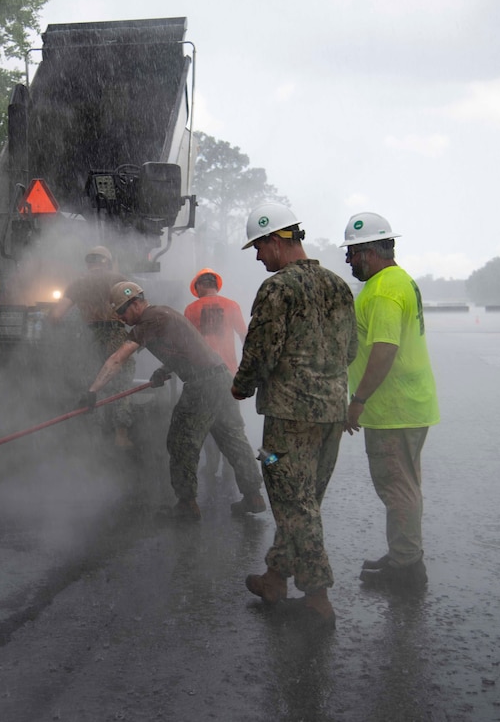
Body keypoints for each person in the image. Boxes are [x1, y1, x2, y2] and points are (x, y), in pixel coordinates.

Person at [232, 203, 357, 629]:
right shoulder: (338, 286)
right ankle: (274, 577)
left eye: (258, 247)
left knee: (293, 503)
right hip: (331, 414)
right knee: (304, 500)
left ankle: (318, 596)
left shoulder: (277, 289)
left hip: (289, 417)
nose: (257, 257)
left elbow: (262, 349)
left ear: (276, 239)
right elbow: (351, 349)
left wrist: (241, 384)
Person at [81, 281, 266, 521]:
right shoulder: (164, 313)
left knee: (181, 442)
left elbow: (118, 359)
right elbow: (188, 348)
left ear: (136, 303)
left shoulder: (149, 320)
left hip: (202, 386)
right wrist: (164, 369)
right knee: (233, 439)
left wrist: (92, 391)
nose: (120, 318)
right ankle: (253, 496)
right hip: (221, 380)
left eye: (122, 311)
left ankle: (186, 504)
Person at [342, 211, 439, 592]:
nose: (349, 261)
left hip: (393, 408)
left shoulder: (383, 289)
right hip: (409, 404)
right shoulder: (398, 281)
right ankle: (404, 554)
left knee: (397, 487)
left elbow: (384, 349)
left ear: (369, 251)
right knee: (406, 485)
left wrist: (358, 400)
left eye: (352, 253)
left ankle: (407, 569)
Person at [49, 246, 135, 448]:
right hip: (116, 335)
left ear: (88, 263)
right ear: (108, 261)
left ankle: (94, 437)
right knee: (121, 384)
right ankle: (120, 435)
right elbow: (135, 307)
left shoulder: (78, 284)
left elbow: (55, 316)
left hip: (89, 337)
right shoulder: (120, 279)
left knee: (92, 384)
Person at [184, 267, 248, 480]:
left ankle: (211, 465)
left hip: (202, 376)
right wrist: (248, 366)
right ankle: (233, 466)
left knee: (207, 421)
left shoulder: (191, 309)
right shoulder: (231, 306)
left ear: (201, 285)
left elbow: (186, 343)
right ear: (215, 285)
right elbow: (244, 336)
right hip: (228, 374)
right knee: (231, 422)